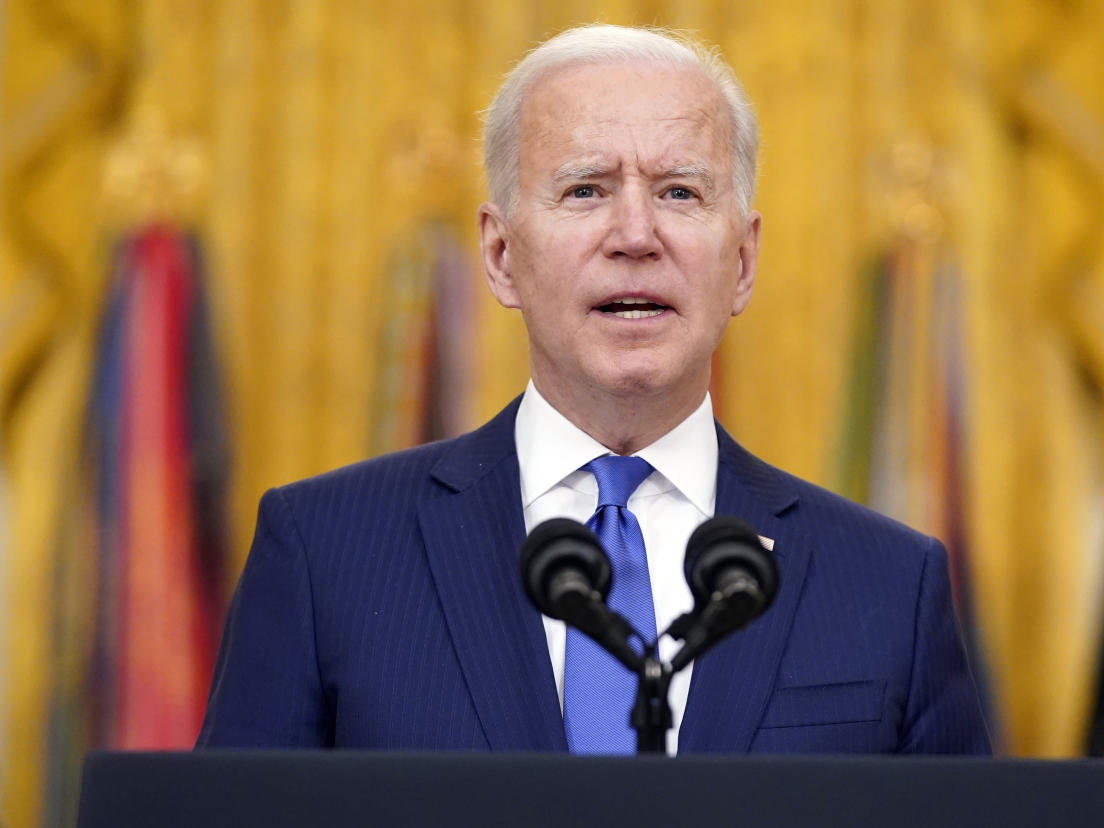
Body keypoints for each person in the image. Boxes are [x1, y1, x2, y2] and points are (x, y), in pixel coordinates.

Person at [197, 24, 990, 756]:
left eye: (681, 191)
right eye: (585, 190)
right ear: (502, 255)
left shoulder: (890, 584)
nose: (636, 236)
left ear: (743, 262)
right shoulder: (324, 554)